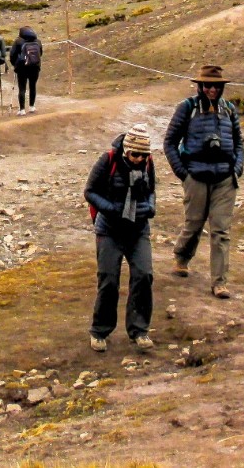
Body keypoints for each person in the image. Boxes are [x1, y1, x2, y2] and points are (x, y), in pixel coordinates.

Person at [164, 64, 244, 299]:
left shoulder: (229, 110)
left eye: (216, 86)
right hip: (196, 175)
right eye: (207, 85)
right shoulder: (186, 108)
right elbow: (169, 142)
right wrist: (183, 174)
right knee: (194, 224)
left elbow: (239, 142)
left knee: (221, 230)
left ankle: (219, 282)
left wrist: (236, 170)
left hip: (225, 178)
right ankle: (181, 256)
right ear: (200, 86)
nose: (211, 90)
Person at [85, 124, 157, 352]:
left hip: (138, 229)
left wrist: (150, 207)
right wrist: (111, 208)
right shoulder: (108, 160)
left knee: (143, 275)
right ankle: (99, 331)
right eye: (135, 154)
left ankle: (139, 330)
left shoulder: (149, 164)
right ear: (126, 150)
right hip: (109, 229)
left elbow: (152, 190)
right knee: (109, 280)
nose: (138, 159)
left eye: (143, 155)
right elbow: (90, 191)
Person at [10, 25, 43, 114]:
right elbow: (40, 53)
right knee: (33, 86)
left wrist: (15, 65)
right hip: (35, 67)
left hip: (22, 68)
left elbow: (12, 55)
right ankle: (32, 107)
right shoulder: (38, 41)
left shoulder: (18, 42)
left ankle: (22, 110)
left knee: (22, 88)